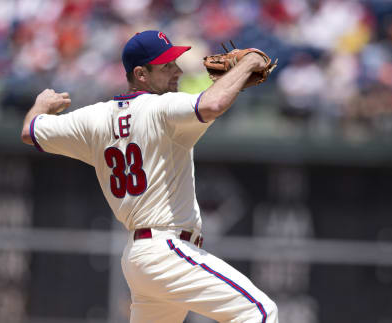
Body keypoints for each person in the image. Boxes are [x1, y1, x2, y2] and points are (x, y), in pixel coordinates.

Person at [21, 30, 278, 323]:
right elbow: (212, 104)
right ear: (141, 74)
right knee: (259, 311)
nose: (177, 71)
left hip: (140, 259)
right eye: (167, 66)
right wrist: (249, 63)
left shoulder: (93, 118)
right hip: (167, 249)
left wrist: (41, 105)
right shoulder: (162, 108)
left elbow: (30, 132)